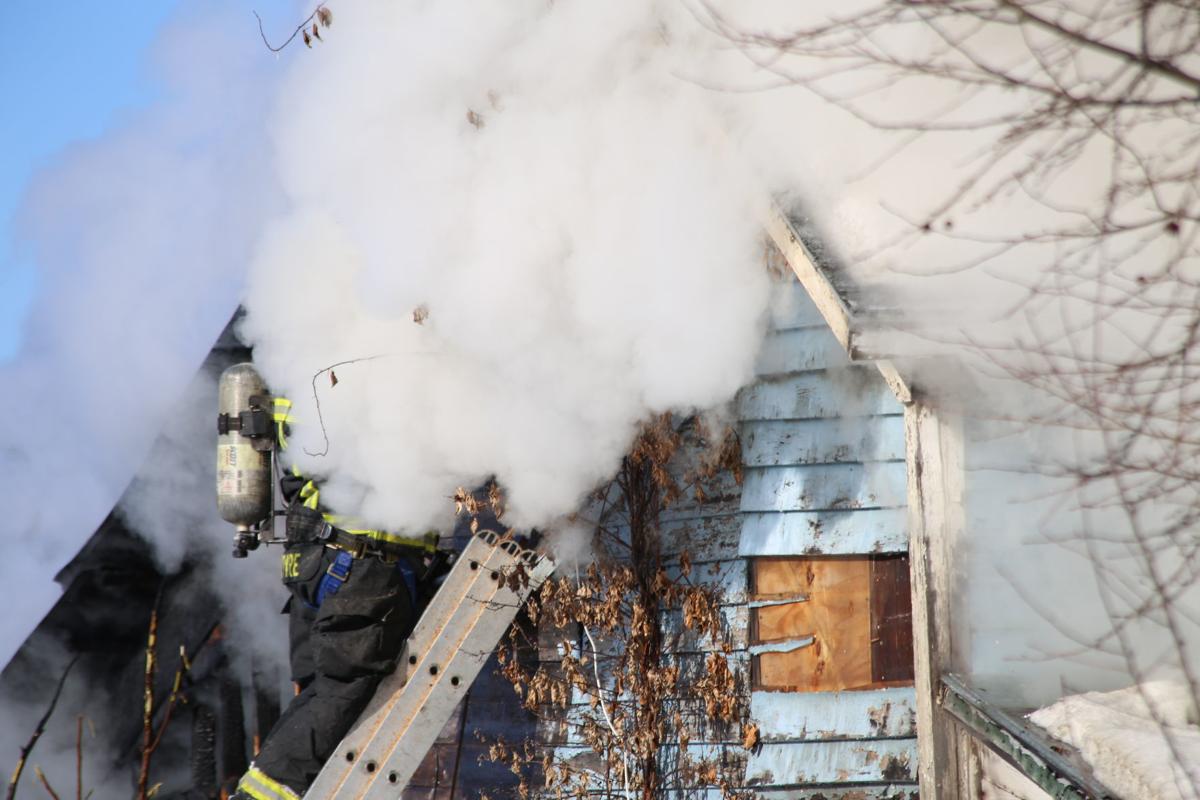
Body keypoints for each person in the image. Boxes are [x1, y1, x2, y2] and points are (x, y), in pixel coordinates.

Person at [232, 399, 445, 800]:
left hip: (312, 562)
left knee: (321, 697)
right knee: (343, 692)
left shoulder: (306, 364)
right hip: (362, 564)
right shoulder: (376, 362)